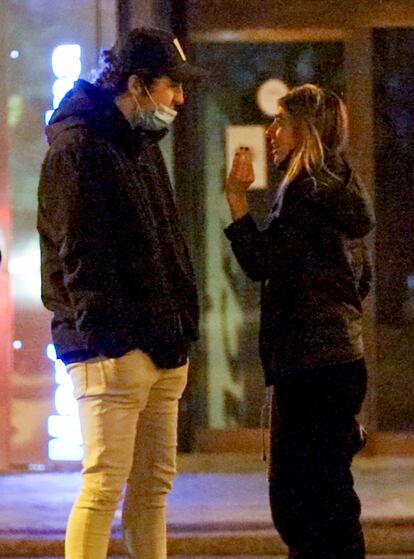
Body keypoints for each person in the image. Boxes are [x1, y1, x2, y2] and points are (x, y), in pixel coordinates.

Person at [37, 27, 203, 559]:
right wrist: (113, 341)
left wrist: (177, 331)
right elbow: (78, 254)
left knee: (152, 491)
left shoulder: (140, 145)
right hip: (112, 352)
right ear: (136, 84)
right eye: (170, 86)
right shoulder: (79, 148)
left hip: (160, 347)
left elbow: (166, 243)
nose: (178, 98)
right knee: (104, 486)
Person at [224, 84, 375, 559]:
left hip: (312, 367)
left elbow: (261, 261)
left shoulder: (308, 194)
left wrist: (235, 200)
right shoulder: (340, 186)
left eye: (281, 123)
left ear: (306, 131)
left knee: (303, 504)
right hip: (337, 361)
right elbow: (359, 280)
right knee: (325, 496)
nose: (271, 133)